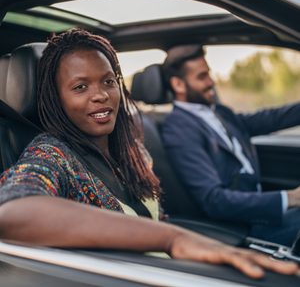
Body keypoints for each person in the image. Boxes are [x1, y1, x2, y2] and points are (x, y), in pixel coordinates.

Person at [0, 29, 297, 279]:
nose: (101, 94)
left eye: (108, 80)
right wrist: (173, 239)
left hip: (167, 271)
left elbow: (157, 219)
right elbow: (12, 211)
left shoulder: (132, 149)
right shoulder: (53, 153)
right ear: (56, 99)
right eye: (80, 87)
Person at [161, 44, 300, 247]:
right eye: (202, 77)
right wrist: (291, 197)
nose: (211, 82)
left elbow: (269, 119)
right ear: (178, 85)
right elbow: (214, 200)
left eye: (209, 74)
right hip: (245, 227)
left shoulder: (219, 112)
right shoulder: (179, 129)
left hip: (260, 211)